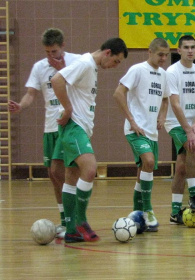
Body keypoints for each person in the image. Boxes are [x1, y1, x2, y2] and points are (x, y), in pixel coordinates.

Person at [51, 38, 128, 243]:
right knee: (90, 169)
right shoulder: (85, 64)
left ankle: (70, 230)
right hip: (74, 126)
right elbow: (57, 80)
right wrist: (67, 109)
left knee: (72, 177)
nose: (115, 66)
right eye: (116, 61)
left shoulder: (91, 67)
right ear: (107, 52)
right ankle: (80, 220)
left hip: (81, 128)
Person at [9, 28, 80, 238]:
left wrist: (64, 68)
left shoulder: (76, 62)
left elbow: (82, 85)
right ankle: (64, 220)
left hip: (71, 124)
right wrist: (21, 106)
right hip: (51, 127)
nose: (51, 56)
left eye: (54, 51)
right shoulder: (39, 67)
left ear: (63, 47)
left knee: (67, 174)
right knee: (53, 175)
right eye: (47, 52)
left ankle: (74, 219)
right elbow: (31, 94)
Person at [113, 38, 169, 232]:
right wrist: (132, 120)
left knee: (144, 171)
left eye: (166, 55)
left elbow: (165, 99)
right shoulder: (137, 70)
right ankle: (147, 210)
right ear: (150, 52)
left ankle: (137, 212)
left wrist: (162, 117)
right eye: (160, 54)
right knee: (149, 161)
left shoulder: (163, 75)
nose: (163, 58)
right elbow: (118, 94)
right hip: (136, 130)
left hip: (152, 132)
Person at [164, 35, 195, 225]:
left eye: (193, 47)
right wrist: (189, 130)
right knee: (193, 147)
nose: (190, 50)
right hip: (175, 122)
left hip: (193, 123)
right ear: (178, 50)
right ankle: (194, 196)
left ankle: (174, 213)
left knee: (181, 167)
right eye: (186, 47)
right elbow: (175, 104)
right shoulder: (172, 71)